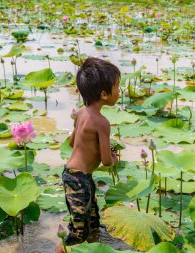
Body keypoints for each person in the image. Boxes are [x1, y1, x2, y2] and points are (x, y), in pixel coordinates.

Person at [56, 57, 120, 253]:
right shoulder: (102, 122)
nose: (119, 91)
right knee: (79, 231)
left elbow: (72, 142)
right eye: (117, 87)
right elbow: (107, 161)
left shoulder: (82, 113)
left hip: (74, 175)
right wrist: (115, 157)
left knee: (92, 223)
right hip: (79, 181)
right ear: (104, 94)